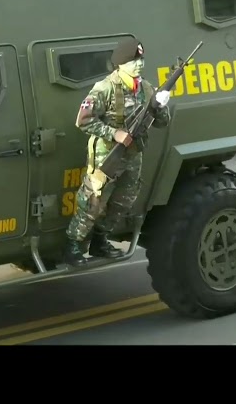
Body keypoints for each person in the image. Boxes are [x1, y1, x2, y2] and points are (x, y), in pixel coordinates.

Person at [63, 37, 171, 267]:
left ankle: (101, 240)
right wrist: (114, 133)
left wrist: (161, 105)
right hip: (107, 154)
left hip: (133, 155)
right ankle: (73, 245)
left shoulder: (146, 88)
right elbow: (83, 121)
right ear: (120, 64)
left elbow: (162, 122)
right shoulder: (105, 88)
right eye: (134, 60)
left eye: (141, 59)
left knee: (125, 200)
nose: (139, 64)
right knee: (93, 200)